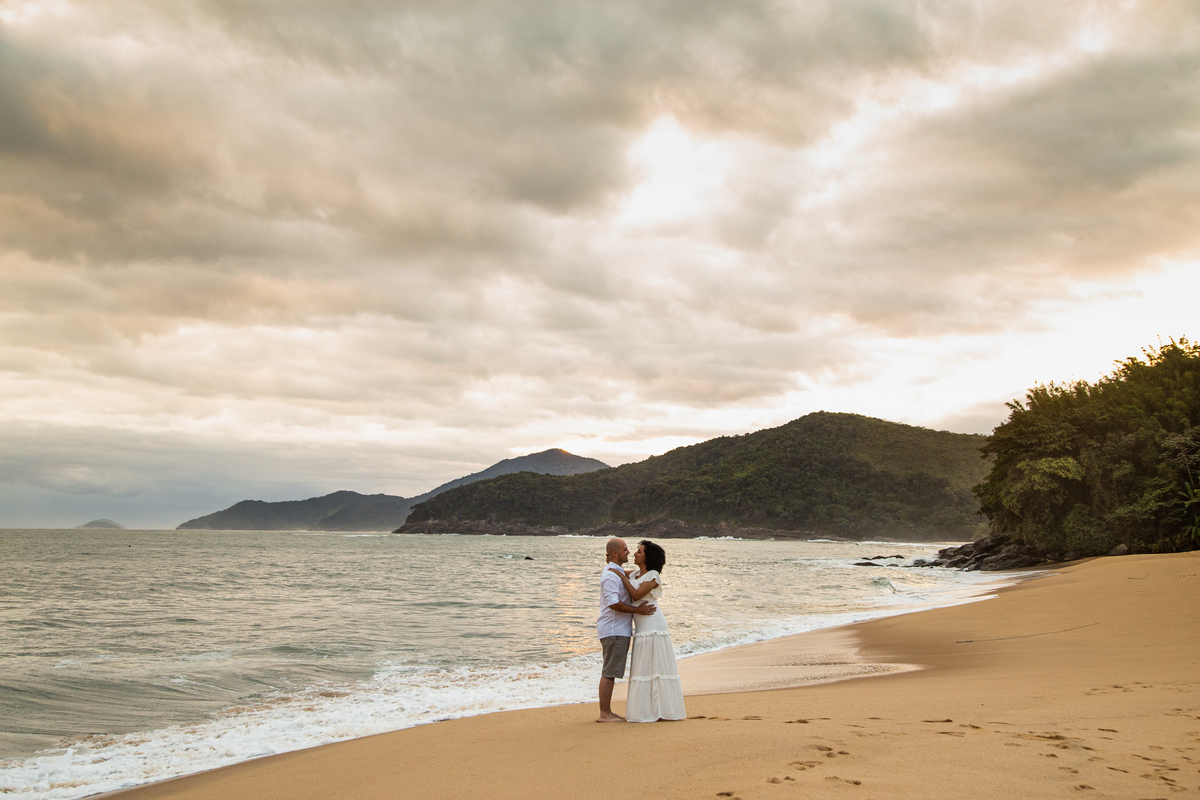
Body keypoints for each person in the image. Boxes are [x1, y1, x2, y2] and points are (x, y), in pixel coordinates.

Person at [616, 540, 686, 722]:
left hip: (653, 625)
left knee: (657, 668)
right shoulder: (636, 575)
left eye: (639, 552)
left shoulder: (653, 575)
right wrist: (613, 562)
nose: (635, 554)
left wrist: (623, 578)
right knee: (645, 667)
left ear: (648, 557)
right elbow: (618, 572)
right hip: (642, 627)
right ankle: (648, 711)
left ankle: (663, 710)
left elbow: (637, 595)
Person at [597, 537, 656, 723]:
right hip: (614, 630)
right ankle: (604, 714)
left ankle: (608, 711)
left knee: (612, 670)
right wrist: (637, 610)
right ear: (615, 553)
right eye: (625, 549)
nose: (628, 552)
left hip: (619, 629)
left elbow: (632, 575)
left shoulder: (617, 572)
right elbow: (613, 603)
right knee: (609, 671)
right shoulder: (610, 576)